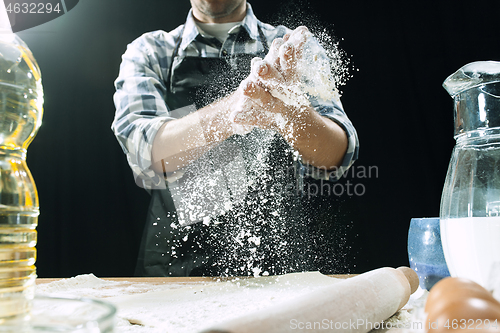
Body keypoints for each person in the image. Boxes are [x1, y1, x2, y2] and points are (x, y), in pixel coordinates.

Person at [112, 0, 359, 277]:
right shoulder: (151, 52)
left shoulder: (293, 48)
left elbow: (337, 156)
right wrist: (236, 107)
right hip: (175, 271)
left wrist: (290, 112)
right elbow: (147, 154)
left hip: (277, 268)